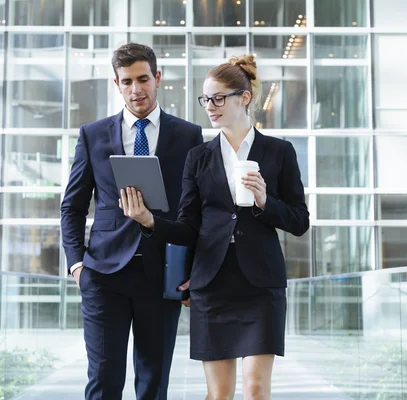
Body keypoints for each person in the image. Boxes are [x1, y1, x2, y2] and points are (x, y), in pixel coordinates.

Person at [120, 54, 309, 399]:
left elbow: (300, 222)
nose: (210, 106)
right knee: (219, 394)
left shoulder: (279, 152)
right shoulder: (199, 156)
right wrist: (149, 221)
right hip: (213, 284)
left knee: (255, 390)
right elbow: (188, 226)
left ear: (245, 98)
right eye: (206, 99)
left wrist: (266, 202)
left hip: (261, 286)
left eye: (219, 98)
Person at [61, 42, 203, 400]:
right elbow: (72, 206)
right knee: (104, 381)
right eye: (127, 82)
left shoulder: (188, 135)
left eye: (143, 79)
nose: (136, 89)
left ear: (157, 78)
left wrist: (192, 272)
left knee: (153, 383)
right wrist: (77, 265)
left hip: (162, 274)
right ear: (117, 84)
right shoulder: (93, 134)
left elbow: (196, 211)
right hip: (103, 273)